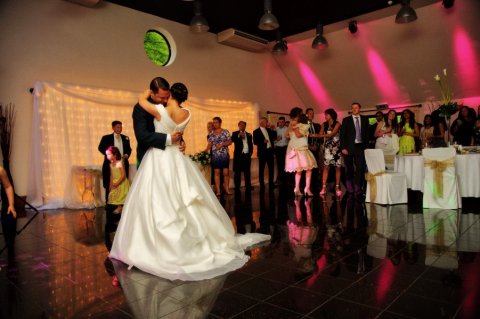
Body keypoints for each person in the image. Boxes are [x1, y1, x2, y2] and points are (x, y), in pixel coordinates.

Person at [110, 83, 270, 281]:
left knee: (160, 196)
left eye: (165, 96)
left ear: (169, 96)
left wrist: (144, 94)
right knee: (184, 196)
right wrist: (176, 139)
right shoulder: (188, 112)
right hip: (176, 156)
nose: (163, 99)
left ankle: (158, 243)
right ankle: (196, 237)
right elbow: (153, 134)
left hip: (160, 158)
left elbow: (142, 101)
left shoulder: (160, 110)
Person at [132, 77, 184, 167]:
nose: (165, 100)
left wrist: (181, 141)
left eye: (167, 97)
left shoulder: (169, 106)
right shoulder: (140, 108)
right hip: (146, 157)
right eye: (162, 98)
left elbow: (172, 126)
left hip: (170, 158)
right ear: (152, 93)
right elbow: (142, 136)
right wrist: (168, 138)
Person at [284, 107, 317, 197]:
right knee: (307, 169)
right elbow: (298, 135)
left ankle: (298, 189)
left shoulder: (294, 123)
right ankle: (305, 189)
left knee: (301, 170)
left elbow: (286, 135)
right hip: (299, 148)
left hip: (298, 146)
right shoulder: (295, 123)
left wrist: (293, 133)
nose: (303, 115)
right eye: (301, 113)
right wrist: (303, 133)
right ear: (298, 114)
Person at [98, 120, 132, 202]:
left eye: (121, 127)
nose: (120, 128)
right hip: (110, 164)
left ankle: (121, 203)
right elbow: (100, 148)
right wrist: (110, 156)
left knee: (122, 182)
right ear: (113, 128)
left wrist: (127, 155)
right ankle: (109, 202)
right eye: (117, 127)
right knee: (109, 183)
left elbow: (129, 149)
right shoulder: (106, 138)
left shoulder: (126, 138)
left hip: (122, 163)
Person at [340, 102, 369, 195]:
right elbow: (342, 135)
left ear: (359, 108)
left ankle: (358, 186)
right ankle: (349, 186)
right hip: (348, 147)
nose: (354, 109)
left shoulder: (365, 119)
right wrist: (343, 147)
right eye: (352, 108)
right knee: (349, 168)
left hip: (360, 147)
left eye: (356, 107)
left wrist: (366, 147)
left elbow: (367, 134)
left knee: (360, 167)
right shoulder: (346, 120)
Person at [317, 108, 342, 197]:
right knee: (326, 167)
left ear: (331, 115)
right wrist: (319, 133)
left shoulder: (337, 123)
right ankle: (323, 187)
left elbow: (332, 134)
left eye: (326, 114)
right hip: (327, 149)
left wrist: (320, 135)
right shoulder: (323, 124)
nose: (325, 116)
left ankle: (337, 187)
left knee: (337, 168)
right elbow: (320, 135)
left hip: (336, 149)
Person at [205, 117, 232, 196]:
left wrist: (223, 144)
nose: (214, 124)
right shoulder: (212, 133)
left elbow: (230, 141)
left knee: (225, 172)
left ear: (220, 123)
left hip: (224, 154)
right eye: (213, 122)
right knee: (217, 172)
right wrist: (205, 150)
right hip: (215, 155)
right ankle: (218, 191)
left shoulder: (225, 132)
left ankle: (227, 189)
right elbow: (210, 144)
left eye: (216, 122)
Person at [253, 117, 277, 190]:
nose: (267, 123)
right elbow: (255, 142)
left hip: (270, 152)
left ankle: (271, 183)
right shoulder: (256, 131)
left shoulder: (269, 130)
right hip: (262, 153)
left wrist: (273, 129)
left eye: (267, 122)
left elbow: (274, 137)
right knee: (261, 169)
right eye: (266, 122)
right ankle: (262, 184)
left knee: (271, 168)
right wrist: (262, 142)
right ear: (262, 122)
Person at [106, 146, 130, 214]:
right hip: (115, 182)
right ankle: (119, 207)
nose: (107, 156)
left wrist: (117, 183)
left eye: (109, 154)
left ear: (115, 155)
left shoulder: (119, 163)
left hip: (121, 182)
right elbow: (111, 176)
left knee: (121, 196)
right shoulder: (110, 164)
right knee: (115, 195)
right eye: (107, 155)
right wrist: (110, 185)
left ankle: (121, 208)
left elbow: (123, 175)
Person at [231, 121, 253, 192]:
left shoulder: (249, 134)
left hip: (247, 155)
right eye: (241, 125)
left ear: (245, 126)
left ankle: (248, 186)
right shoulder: (235, 133)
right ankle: (237, 187)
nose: (242, 126)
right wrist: (239, 135)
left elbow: (251, 144)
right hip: (238, 156)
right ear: (238, 126)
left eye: (243, 125)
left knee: (247, 172)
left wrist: (250, 153)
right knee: (237, 172)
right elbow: (232, 140)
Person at [0, 166, 17, 259]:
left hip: (1, 208)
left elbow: (8, 186)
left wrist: (11, 204)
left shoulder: (0, 171)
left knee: (9, 237)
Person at [306, 107, 322, 191]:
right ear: (306, 114)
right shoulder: (304, 125)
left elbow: (319, 137)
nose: (312, 115)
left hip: (316, 148)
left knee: (316, 165)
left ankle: (315, 184)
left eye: (313, 113)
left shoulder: (316, 125)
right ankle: (307, 185)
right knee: (308, 167)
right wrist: (309, 146)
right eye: (310, 113)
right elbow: (302, 138)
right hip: (307, 149)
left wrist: (317, 145)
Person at [274, 116, 288, 184]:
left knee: (286, 164)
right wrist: (276, 139)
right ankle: (279, 178)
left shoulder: (288, 129)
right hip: (278, 148)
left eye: (282, 122)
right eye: (279, 122)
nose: (281, 123)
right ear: (278, 122)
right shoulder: (275, 130)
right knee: (279, 164)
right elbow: (272, 141)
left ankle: (285, 179)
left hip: (285, 148)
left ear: (284, 122)